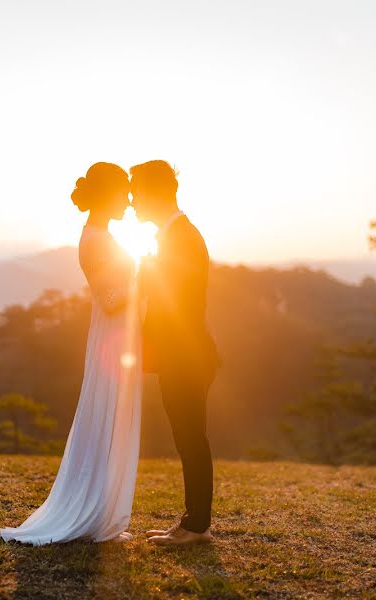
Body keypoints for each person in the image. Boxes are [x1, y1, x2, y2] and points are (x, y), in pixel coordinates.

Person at [0, 162, 142, 545]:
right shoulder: (96, 241)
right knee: (103, 418)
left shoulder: (100, 236)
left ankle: (100, 509)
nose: (129, 203)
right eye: (124, 193)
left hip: (117, 340)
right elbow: (111, 301)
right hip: (111, 339)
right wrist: (147, 280)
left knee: (110, 420)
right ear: (109, 195)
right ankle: (89, 511)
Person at [132, 160, 220, 546]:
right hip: (180, 355)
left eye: (137, 193)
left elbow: (179, 303)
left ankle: (197, 526)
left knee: (191, 439)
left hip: (186, 356)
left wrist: (147, 275)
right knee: (187, 438)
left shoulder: (182, 237)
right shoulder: (172, 236)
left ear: (154, 194)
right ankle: (192, 522)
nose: (132, 202)